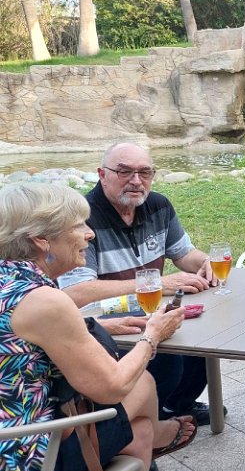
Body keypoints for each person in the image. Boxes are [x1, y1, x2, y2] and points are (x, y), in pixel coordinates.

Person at [0, 183, 195, 471]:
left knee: (135, 428)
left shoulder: (9, 283)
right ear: (41, 241)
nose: (89, 233)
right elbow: (112, 386)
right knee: (140, 385)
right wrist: (152, 335)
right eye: (78, 225)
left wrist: (97, 326)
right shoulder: (42, 301)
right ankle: (159, 434)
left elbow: (19, 338)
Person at [59, 142, 224, 430]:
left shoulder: (158, 205)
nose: (136, 181)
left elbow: (183, 254)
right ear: (102, 174)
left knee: (204, 339)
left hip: (150, 310)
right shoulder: (82, 219)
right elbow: (77, 292)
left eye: (145, 173)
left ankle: (177, 404)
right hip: (105, 322)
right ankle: (144, 423)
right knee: (169, 357)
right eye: (125, 172)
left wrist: (206, 261)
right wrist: (156, 283)